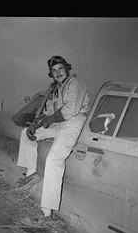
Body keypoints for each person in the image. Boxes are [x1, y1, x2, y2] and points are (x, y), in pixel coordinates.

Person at [16, 55, 90, 224]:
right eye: (54, 71)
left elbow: (70, 110)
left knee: (53, 160)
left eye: (60, 69)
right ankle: (31, 173)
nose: (58, 73)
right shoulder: (58, 88)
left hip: (73, 123)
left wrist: (48, 121)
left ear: (67, 69)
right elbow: (50, 113)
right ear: (51, 74)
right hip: (59, 122)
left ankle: (46, 212)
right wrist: (36, 124)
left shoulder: (74, 84)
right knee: (26, 134)